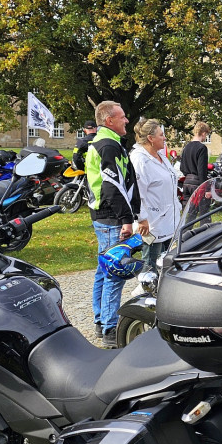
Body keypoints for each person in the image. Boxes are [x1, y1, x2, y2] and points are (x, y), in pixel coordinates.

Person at [86, 101, 149, 348]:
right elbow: (112, 186)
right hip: (111, 217)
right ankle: (111, 329)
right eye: (122, 117)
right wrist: (126, 220)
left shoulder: (103, 142)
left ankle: (100, 321)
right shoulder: (109, 145)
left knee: (103, 270)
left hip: (103, 215)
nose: (127, 121)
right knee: (114, 272)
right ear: (109, 120)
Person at [130, 119, 182, 272]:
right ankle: (147, 293)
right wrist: (142, 219)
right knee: (151, 266)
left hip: (169, 220)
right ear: (151, 139)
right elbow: (137, 193)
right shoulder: (140, 159)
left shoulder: (160, 155)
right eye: (161, 135)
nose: (165, 138)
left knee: (168, 263)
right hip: (152, 223)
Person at [180, 121, 210, 198]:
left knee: (187, 209)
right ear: (203, 133)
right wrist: (205, 188)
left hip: (186, 183)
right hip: (197, 182)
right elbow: (202, 170)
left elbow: (182, 167)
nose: (206, 137)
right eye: (206, 134)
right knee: (202, 209)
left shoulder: (186, 147)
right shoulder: (202, 148)